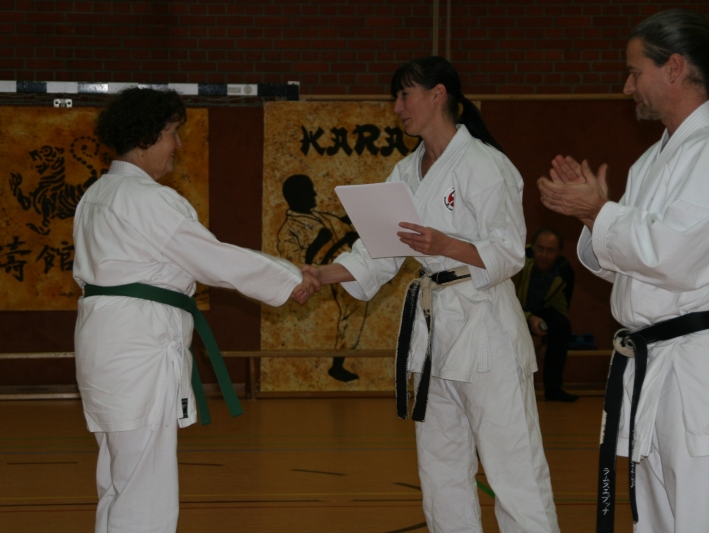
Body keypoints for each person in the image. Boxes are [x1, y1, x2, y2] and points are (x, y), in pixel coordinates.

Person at [304, 57, 560, 533]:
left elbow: (509, 251)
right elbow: (377, 253)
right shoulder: (405, 171)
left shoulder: (485, 164)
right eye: (395, 98)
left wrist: (447, 245)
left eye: (405, 95)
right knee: (441, 468)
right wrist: (323, 273)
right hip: (433, 329)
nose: (397, 107)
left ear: (438, 94)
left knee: (513, 467)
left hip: (485, 324)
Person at [72, 87, 318, 533]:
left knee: (119, 478)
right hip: (139, 348)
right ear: (146, 137)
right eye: (172, 133)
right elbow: (214, 258)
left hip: (106, 344)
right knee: (144, 489)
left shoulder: (97, 195)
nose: (178, 144)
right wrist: (289, 278)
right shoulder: (146, 198)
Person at [538, 9, 709, 533]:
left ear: (674, 67)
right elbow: (631, 268)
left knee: (697, 512)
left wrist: (599, 212)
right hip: (653, 362)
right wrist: (594, 216)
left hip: (694, 367)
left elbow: (672, 256)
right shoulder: (650, 161)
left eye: (635, 72)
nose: (627, 86)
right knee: (654, 518)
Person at [277, 173, 366, 382]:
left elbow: (345, 230)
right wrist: (319, 243)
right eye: (310, 192)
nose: (315, 195)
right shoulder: (288, 231)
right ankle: (334, 365)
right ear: (296, 196)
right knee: (334, 319)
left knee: (354, 313)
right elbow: (297, 267)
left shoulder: (323, 217)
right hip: (315, 283)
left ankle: (339, 363)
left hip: (342, 273)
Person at [512, 228, 579, 402]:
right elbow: (506, 301)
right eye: (540, 248)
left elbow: (561, 309)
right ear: (532, 247)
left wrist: (547, 342)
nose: (543, 255)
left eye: (550, 250)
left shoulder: (564, 272)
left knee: (562, 325)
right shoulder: (517, 262)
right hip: (514, 310)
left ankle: (553, 388)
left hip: (541, 311)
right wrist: (528, 317)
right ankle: (511, 387)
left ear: (558, 253)